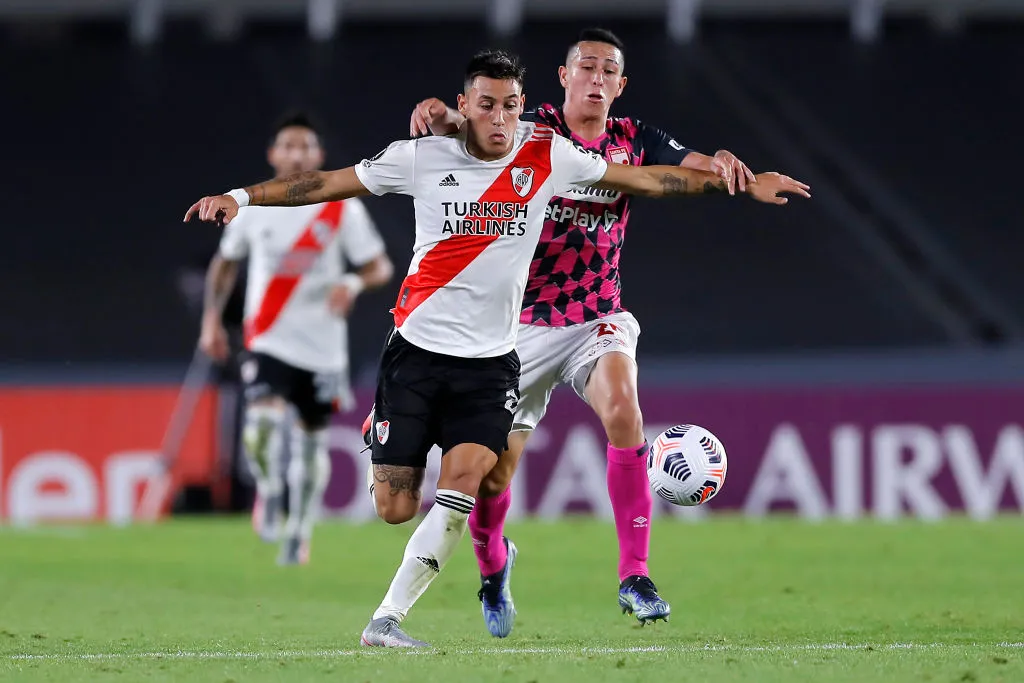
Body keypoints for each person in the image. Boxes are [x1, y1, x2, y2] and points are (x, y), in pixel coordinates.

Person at [185, 50, 808, 648]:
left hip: (493, 363)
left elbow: (646, 178)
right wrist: (239, 199)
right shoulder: (420, 159)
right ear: (466, 106)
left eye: (512, 105)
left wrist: (738, 187)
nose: (503, 119)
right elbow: (327, 181)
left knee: (463, 487)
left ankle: (386, 621)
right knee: (396, 507)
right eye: (488, 105)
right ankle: (414, 472)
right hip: (416, 354)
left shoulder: (548, 153)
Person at [406, 27, 769, 635]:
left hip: (596, 315)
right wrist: (440, 114)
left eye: (609, 71)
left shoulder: (636, 140)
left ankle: (635, 576)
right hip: (519, 326)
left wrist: (733, 168)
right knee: (491, 477)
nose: (597, 79)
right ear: (564, 76)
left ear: (620, 86)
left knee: (624, 407)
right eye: (587, 68)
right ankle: (493, 568)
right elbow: (466, 129)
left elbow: (694, 167)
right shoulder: (532, 128)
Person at [198, 111, 393, 565]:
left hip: (323, 345)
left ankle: (299, 531)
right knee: (260, 433)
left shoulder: (341, 207)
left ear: (319, 155)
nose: (297, 153)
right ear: (273, 153)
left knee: (311, 440)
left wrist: (353, 283)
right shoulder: (251, 206)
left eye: (306, 146)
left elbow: (379, 265)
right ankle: (269, 489)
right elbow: (225, 263)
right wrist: (211, 321)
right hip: (268, 337)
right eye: (288, 145)